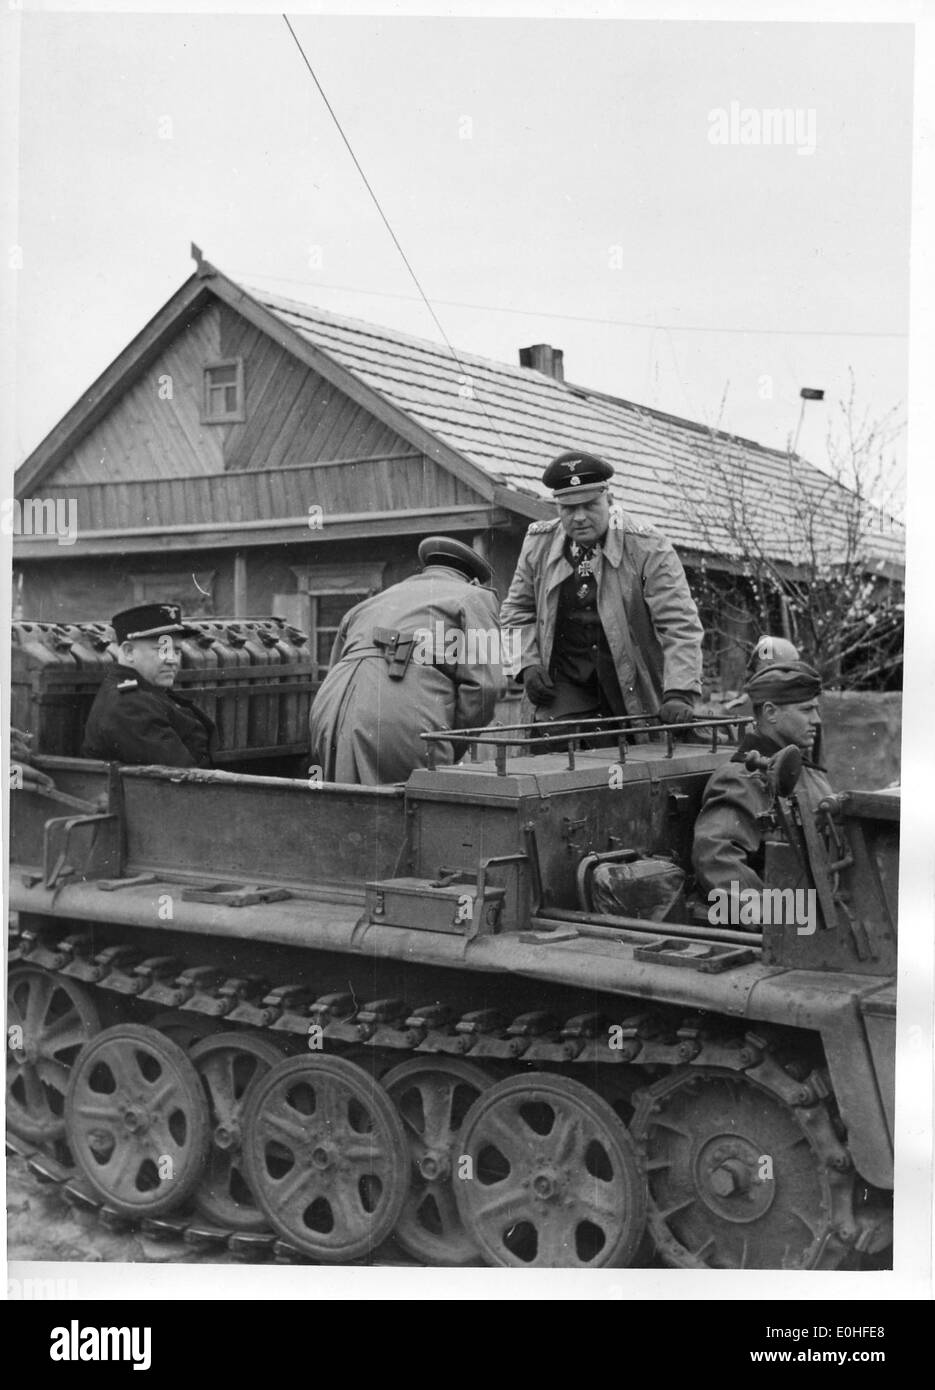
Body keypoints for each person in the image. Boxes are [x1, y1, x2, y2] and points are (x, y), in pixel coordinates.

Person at [499, 450, 704, 737]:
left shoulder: (648, 547)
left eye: (589, 505)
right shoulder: (538, 544)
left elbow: (679, 623)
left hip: (632, 685)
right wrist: (525, 665)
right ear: (556, 507)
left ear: (609, 500)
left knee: (637, 764)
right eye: (569, 508)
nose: (579, 517)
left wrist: (679, 691)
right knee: (554, 764)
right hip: (564, 688)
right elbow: (515, 612)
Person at [309, 536, 502, 784]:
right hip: (398, 713)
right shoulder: (476, 596)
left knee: (347, 808)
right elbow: (486, 687)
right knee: (420, 808)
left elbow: (339, 662)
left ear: (426, 569)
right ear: (472, 579)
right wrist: (450, 741)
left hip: (328, 711)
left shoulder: (374, 600)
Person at [691, 655, 832, 899]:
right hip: (792, 923)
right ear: (770, 712)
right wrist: (777, 925)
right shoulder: (741, 778)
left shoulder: (808, 771)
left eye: (816, 710)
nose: (816, 720)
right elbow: (717, 860)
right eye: (807, 710)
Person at [82, 604, 216, 767]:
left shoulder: (147, 693)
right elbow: (183, 773)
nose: (172, 660)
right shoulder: (130, 706)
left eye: (177, 651)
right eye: (162, 650)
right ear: (129, 652)